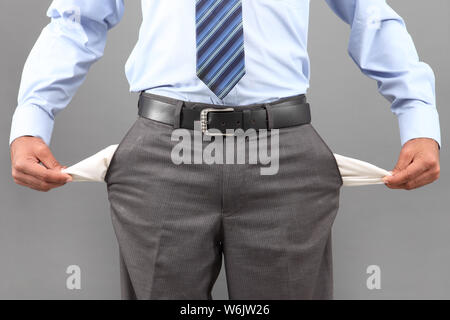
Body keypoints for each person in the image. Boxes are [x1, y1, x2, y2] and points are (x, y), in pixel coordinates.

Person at [9, 0, 440, 299]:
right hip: (161, 151)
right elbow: (78, 19)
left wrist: (417, 114)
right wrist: (32, 118)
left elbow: (372, 14)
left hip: (282, 153)